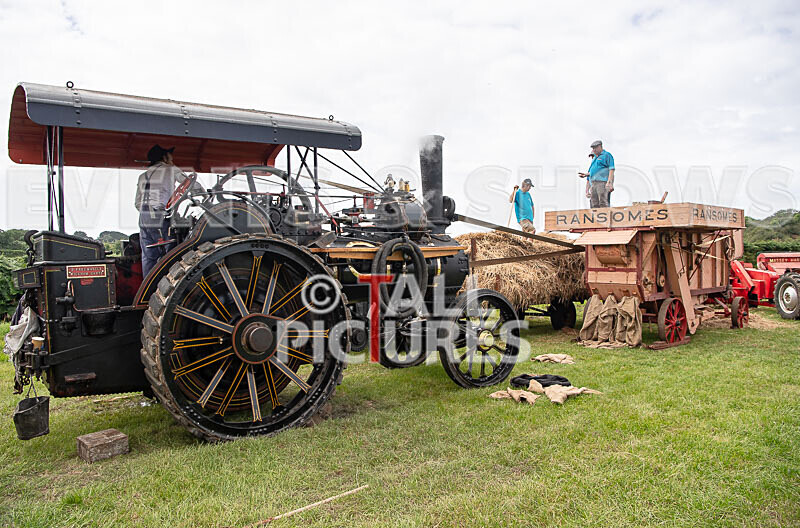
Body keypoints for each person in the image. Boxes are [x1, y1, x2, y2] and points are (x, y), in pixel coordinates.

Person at [134, 145, 195, 277]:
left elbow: (137, 203)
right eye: (170, 156)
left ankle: (149, 287)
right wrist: (205, 193)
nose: (172, 159)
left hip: (143, 218)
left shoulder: (142, 176)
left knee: (148, 257)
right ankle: (171, 285)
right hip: (159, 215)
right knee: (171, 253)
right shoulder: (170, 169)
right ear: (164, 157)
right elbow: (190, 183)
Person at [578, 140, 615, 208]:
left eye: (595, 148)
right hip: (593, 183)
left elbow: (611, 169)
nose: (594, 150)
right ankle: (595, 215)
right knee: (594, 204)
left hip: (602, 182)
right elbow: (594, 171)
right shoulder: (595, 158)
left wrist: (609, 182)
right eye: (593, 148)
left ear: (600, 146)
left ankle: (604, 214)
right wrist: (586, 174)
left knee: (603, 202)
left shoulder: (606, 155)